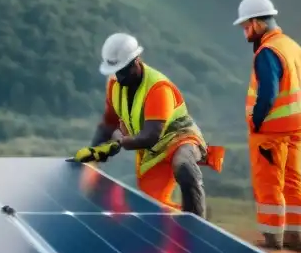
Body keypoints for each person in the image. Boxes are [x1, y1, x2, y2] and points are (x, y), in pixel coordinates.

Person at [75, 32, 224, 216]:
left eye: (123, 70)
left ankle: (198, 225)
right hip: (153, 153)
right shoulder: (114, 84)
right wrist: (92, 158)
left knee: (183, 165)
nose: (119, 77)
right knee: (152, 208)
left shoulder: (157, 88)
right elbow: (108, 124)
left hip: (180, 139)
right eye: (116, 72)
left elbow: (151, 135)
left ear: (136, 61)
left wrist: (120, 142)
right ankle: (188, 216)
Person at [233, 0, 301, 251]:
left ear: (256, 23)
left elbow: (268, 92)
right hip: (296, 124)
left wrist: (256, 121)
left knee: (268, 182)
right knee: (292, 179)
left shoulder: (267, 52)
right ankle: (295, 236)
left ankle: (272, 238)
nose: (245, 33)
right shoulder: (292, 46)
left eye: (246, 27)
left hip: (272, 129)